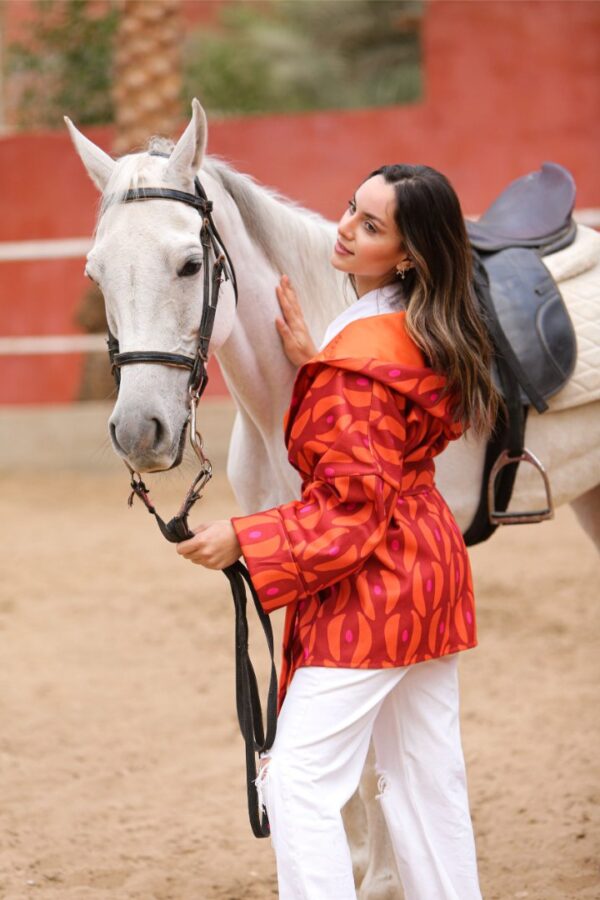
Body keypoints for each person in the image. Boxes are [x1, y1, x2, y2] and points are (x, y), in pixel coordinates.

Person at [176, 164, 501, 900]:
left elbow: (351, 508)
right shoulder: (414, 330)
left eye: (372, 226)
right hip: (432, 572)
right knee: (425, 782)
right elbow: (384, 444)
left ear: (410, 255)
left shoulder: (358, 362)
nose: (346, 229)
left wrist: (245, 537)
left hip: (377, 592)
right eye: (351, 210)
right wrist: (318, 367)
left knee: (297, 782)